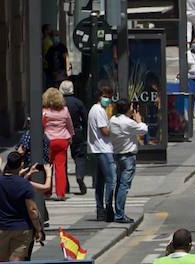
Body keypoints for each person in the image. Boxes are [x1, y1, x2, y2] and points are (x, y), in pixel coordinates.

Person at [0, 151, 43, 261]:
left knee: (3, 263)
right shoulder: (25, 185)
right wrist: (38, 229)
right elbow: (32, 210)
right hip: (22, 228)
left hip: (2, 228)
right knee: (16, 262)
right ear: (21, 165)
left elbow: (9, 179)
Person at [107, 99, 146, 224]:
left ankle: (117, 211)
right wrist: (138, 118)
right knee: (124, 185)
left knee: (119, 184)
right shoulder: (128, 122)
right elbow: (143, 130)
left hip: (118, 155)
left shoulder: (113, 120)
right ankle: (120, 214)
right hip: (128, 157)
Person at [40, 87, 73, 202]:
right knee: (60, 168)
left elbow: (41, 126)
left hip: (48, 141)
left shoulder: (45, 111)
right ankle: (61, 193)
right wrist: (70, 137)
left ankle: (47, 191)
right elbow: (69, 125)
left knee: (47, 167)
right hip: (62, 140)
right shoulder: (65, 110)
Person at [88, 87, 115, 220]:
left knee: (100, 182)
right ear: (100, 96)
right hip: (103, 149)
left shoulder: (95, 109)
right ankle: (108, 209)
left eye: (109, 96)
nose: (108, 99)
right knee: (111, 180)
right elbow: (105, 131)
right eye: (106, 96)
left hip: (97, 149)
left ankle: (100, 210)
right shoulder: (98, 110)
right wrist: (115, 129)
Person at [61, 82, 89, 195]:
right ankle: (79, 175)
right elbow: (85, 119)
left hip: (61, 132)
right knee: (79, 156)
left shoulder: (59, 103)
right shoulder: (78, 103)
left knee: (62, 159)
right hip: (76, 132)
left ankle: (65, 185)